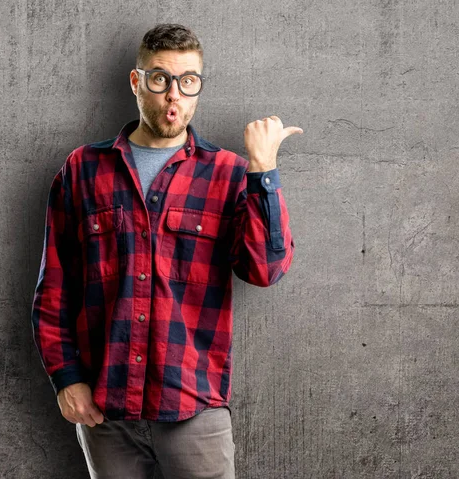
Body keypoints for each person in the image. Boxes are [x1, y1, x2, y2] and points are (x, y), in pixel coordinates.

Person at [30, 23, 301, 479]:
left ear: (198, 87)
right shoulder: (83, 169)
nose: (173, 95)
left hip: (192, 406)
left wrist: (264, 172)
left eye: (188, 81)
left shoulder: (230, 174)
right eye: (160, 79)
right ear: (137, 83)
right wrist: (65, 377)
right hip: (105, 407)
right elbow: (54, 287)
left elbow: (265, 270)